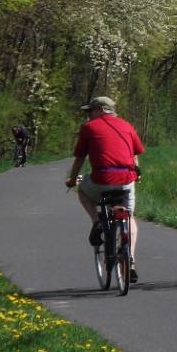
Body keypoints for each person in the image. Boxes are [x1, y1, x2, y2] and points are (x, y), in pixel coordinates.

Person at [64, 96, 144, 283]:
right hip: (126, 179)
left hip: (101, 178)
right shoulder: (127, 125)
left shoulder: (89, 128)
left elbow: (80, 158)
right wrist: (136, 174)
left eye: (90, 111)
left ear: (100, 109)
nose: (88, 116)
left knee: (83, 190)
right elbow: (135, 154)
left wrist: (73, 179)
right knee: (129, 216)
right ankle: (130, 258)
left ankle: (97, 221)